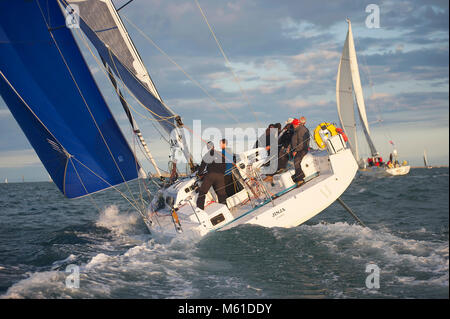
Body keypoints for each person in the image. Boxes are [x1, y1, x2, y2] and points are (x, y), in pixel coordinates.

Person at [196, 141, 227, 210]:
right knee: (221, 195)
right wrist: (222, 173)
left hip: (211, 175)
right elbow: (224, 165)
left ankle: (200, 210)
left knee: (202, 192)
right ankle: (225, 209)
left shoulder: (207, 155)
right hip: (220, 176)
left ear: (207, 148)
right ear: (213, 146)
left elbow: (202, 167)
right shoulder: (220, 154)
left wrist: (199, 174)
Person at [290, 116, 310, 185]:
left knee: (296, 161)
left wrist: (296, 150)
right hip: (298, 149)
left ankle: (300, 179)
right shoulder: (297, 130)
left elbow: (302, 142)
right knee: (295, 161)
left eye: (293, 124)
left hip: (302, 150)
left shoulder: (301, 130)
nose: (293, 125)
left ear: (296, 124)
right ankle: (298, 176)